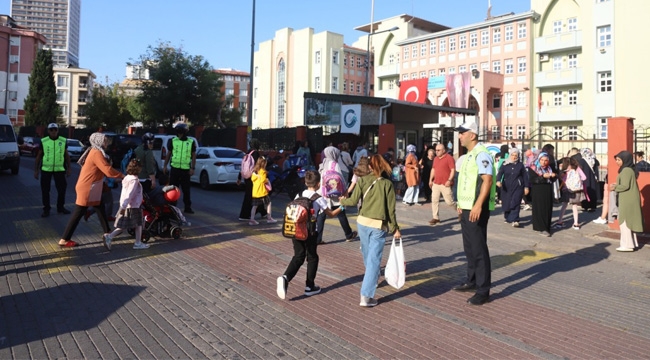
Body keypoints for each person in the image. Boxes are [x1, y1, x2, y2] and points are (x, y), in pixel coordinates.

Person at [340, 154, 401, 307]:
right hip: (377, 226)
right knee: (374, 260)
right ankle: (366, 296)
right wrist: (395, 229)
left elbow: (353, 201)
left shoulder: (363, 180)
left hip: (362, 223)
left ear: (371, 166)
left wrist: (342, 200)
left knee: (368, 255)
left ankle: (371, 280)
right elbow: (390, 211)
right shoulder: (387, 184)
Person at [276, 170, 343, 300]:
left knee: (298, 256)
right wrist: (342, 206)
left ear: (306, 182)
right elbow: (331, 214)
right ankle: (309, 286)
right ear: (318, 184)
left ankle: (285, 277)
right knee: (312, 257)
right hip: (310, 232)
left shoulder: (298, 195)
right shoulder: (318, 198)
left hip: (296, 230)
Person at [452, 121, 495, 306]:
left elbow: (487, 181)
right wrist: (461, 204)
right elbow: (466, 182)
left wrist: (477, 205)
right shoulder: (469, 155)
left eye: (462, 133)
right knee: (469, 247)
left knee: (478, 249)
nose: (459, 136)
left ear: (472, 135)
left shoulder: (481, 154)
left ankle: (483, 289)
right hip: (467, 207)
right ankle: (471, 280)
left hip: (477, 208)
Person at [58, 133, 124, 247]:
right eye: (104, 140)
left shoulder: (95, 151)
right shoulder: (96, 153)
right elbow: (107, 170)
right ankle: (64, 239)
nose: (106, 143)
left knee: (100, 206)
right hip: (88, 187)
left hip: (93, 186)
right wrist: (122, 176)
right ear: (98, 141)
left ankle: (107, 231)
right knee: (78, 213)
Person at [102, 159, 149, 250]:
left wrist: (123, 205)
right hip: (133, 206)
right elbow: (130, 193)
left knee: (123, 226)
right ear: (138, 169)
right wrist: (124, 205)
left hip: (126, 205)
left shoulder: (127, 177)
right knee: (138, 224)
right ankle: (137, 243)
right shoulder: (134, 180)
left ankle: (110, 236)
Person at [316, 146, 357, 243]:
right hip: (336, 195)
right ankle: (348, 235)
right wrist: (345, 192)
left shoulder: (323, 163)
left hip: (324, 194)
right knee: (341, 214)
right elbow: (341, 179)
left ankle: (318, 238)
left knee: (321, 215)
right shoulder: (335, 164)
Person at [35, 123, 71, 217]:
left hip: (59, 169)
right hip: (46, 169)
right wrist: (36, 170)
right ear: (48, 131)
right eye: (51, 130)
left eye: (55, 129)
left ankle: (60, 207)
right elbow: (39, 156)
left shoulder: (63, 141)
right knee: (45, 190)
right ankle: (46, 209)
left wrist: (69, 168)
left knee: (62, 189)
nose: (53, 131)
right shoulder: (44, 141)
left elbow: (66, 155)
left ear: (58, 130)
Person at [610, 151, 644, 252]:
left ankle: (627, 245)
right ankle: (631, 243)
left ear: (625, 160)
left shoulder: (625, 170)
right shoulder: (629, 170)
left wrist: (614, 187)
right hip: (629, 199)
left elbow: (625, 186)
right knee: (629, 222)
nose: (617, 162)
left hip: (627, 200)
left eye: (619, 160)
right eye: (616, 159)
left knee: (625, 222)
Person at [162, 122, 196, 214]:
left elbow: (193, 156)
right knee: (173, 189)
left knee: (186, 189)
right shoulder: (173, 141)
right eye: (178, 132)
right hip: (175, 169)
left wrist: (193, 168)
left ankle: (187, 207)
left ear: (185, 132)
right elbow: (168, 154)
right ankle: (172, 206)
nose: (179, 134)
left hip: (185, 170)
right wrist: (165, 166)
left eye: (181, 132)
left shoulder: (191, 142)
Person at [495, 148, 529, 227]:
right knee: (507, 202)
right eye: (512, 155)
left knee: (516, 202)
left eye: (516, 155)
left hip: (518, 187)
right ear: (510, 155)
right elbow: (500, 173)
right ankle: (508, 217)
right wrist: (498, 181)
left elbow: (525, 176)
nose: (514, 157)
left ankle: (515, 220)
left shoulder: (520, 165)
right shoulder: (505, 164)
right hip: (506, 187)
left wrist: (526, 187)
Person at [237, 138, 268, 221]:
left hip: (247, 177)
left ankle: (262, 212)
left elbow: (243, 166)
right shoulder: (255, 154)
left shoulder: (247, 153)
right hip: (253, 178)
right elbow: (258, 165)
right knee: (254, 196)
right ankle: (245, 215)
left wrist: (239, 177)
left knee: (252, 195)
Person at [553, 157, 587, 231]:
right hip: (576, 191)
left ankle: (559, 221)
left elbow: (563, 179)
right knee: (574, 206)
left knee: (564, 205)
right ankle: (576, 223)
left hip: (567, 190)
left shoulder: (565, 170)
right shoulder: (577, 168)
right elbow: (584, 178)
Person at [528, 152, 557, 237]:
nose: (544, 162)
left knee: (547, 208)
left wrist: (554, 176)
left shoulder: (550, 168)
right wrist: (543, 177)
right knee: (539, 208)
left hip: (547, 190)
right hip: (538, 190)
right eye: (542, 160)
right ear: (539, 159)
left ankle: (546, 227)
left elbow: (554, 179)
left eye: (546, 160)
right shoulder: (533, 168)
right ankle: (540, 227)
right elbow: (533, 179)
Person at [428, 144, 456, 225]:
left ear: (444, 150)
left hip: (445, 184)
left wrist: (449, 180)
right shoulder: (436, 159)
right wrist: (430, 180)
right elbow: (433, 169)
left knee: (449, 202)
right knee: (434, 200)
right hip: (436, 183)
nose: (436, 152)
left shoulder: (449, 158)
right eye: (435, 150)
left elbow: (453, 170)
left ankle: (459, 210)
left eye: (438, 150)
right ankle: (435, 218)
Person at [568, 147, 598, 212]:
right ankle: (593, 206)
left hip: (584, 178)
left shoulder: (582, 160)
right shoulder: (593, 160)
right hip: (592, 179)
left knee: (586, 191)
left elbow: (580, 169)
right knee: (592, 191)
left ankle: (586, 206)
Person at [250, 157, 276, 225]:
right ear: (263, 163)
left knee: (255, 206)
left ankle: (252, 220)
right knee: (269, 203)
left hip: (255, 192)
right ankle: (269, 218)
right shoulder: (263, 171)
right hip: (262, 192)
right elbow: (263, 180)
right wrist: (267, 180)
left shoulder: (254, 171)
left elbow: (252, 179)